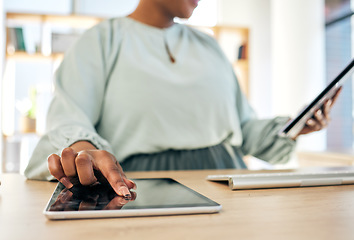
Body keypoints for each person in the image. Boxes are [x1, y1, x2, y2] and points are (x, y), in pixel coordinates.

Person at [24, 0, 341, 198]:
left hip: (227, 180)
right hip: (142, 186)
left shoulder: (210, 47)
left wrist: (294, 126)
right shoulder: (100, 41)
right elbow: (70, 117)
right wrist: (83, 150)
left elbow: (243, 130)